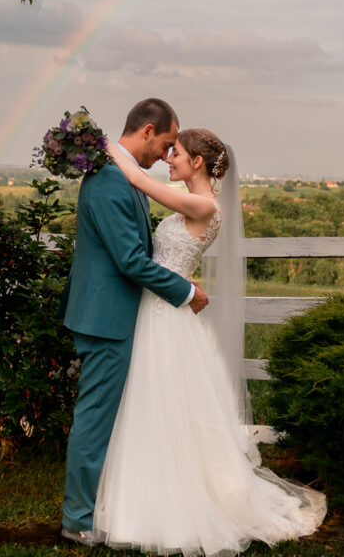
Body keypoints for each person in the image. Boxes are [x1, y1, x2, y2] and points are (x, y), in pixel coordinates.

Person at [94, 128, 326, 555]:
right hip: (160, 308)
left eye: (176, 152)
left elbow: (138, 180)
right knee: (153, 406)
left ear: (197, 162)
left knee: (167, 406)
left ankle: (171, 510)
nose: (168, 158)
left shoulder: (204, 204)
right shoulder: (195, 200)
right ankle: (140, 503)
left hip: (167, 318)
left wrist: (101, 142)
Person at [60, 98, 210, 544]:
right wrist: (185, 292)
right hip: (107, 318)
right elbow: (130, 260)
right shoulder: (109, 178)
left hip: (116, 315)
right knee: (94, 419)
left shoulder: (121, 174)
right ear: (147, 131)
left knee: (113, 417)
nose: (166, 155)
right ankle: (77, 523)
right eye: (165, 144)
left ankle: (108, 508)